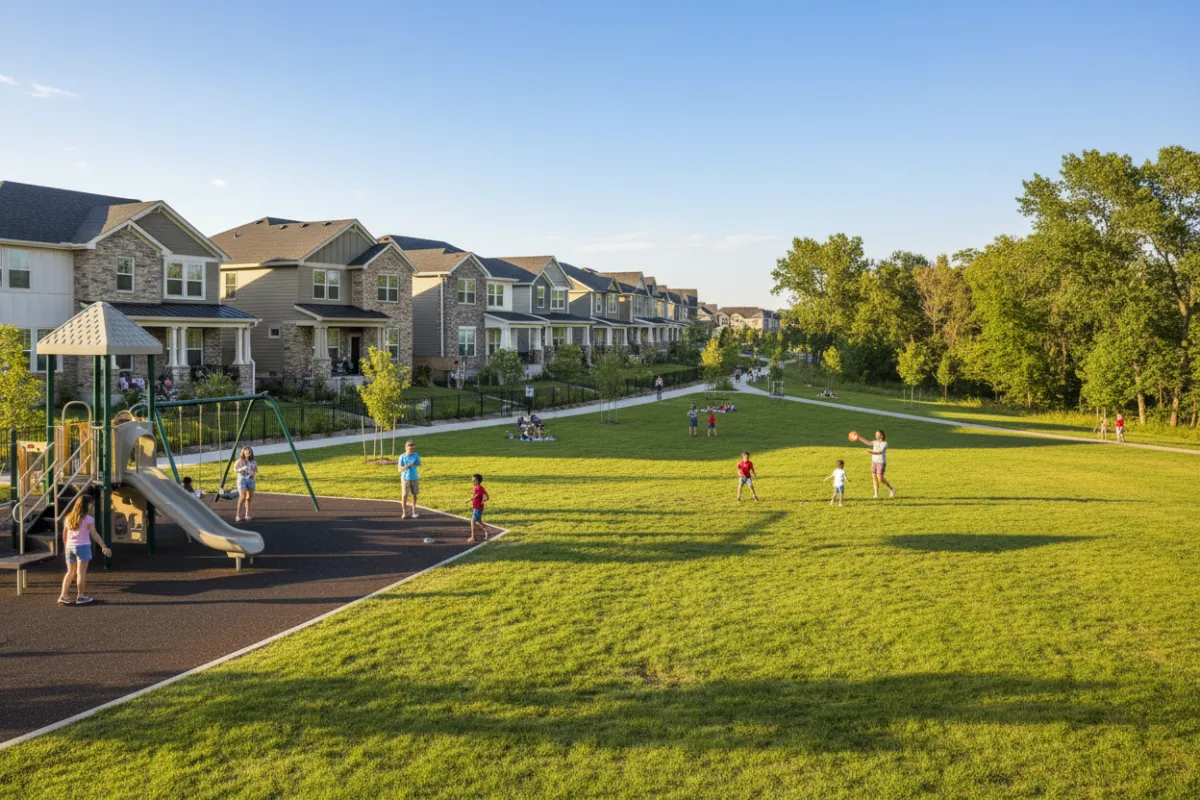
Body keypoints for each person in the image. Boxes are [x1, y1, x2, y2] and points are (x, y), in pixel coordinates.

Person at [58, 495, 111, 605]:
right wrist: (103, 546)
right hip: (82, 547)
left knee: (70, 572)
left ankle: (63, 595)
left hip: (69, 547)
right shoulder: (88, 519)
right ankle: (80, 597)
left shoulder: (68, 518)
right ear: (87, 506)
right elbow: (94, 534)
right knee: (80, 573)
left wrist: (66, 546)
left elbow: (64, 534)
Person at [856, 430, 895, 498]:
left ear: (881, 435)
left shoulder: (884, 443)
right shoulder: (875, 442)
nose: (876, 436)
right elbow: (868, 442)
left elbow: (879, 452)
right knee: (874, 477)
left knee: (880, 478)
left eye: (877, 435)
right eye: (876, 434)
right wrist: (859, 437)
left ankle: (892, 489)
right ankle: (876, 494)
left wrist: (870, 452)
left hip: (881, 462)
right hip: (874, 462)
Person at [398, 440, 422, 519]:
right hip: (405, 478)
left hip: (414, 477)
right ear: (406, 448)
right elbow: (399, 469)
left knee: (414, 494)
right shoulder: (402, 456)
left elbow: (419, 463)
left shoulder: (416, 455)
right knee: (404, 495)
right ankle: (404, 512)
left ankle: (414, 511)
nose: (410, 448)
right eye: (409, 446)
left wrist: (414, 464)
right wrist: (406, 467)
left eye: (412, 446)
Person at [234, 446, 258, 522]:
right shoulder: (239, 461)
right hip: (242, 479)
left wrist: (253, 473)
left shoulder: (253, 461)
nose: (248, 451)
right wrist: (242, 469)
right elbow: (235, 470)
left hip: (251, 480)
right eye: (246, 450)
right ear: (243, 452)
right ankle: (238, 515)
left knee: (250, 497)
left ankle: (247, 514)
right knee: (242, 497)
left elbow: (256, 470)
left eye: (249, 450)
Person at [468, 473, 490, 542]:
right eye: (472, 480)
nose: (473, 482)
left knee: (473, 522)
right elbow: (479, 495)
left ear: (478, 480)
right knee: (479, 522)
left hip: (478, 508)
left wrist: (483, 500)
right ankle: (487, 532)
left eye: (474, 480)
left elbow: (485, 496)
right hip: (476, 507)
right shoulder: (477, 487)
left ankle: (473, 537)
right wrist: (473, 497)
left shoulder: (479, 488)